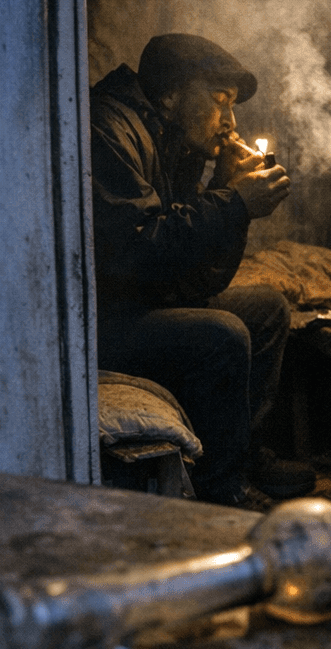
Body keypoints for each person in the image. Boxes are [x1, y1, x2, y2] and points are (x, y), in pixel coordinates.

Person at [90, 33, 315, 506]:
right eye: (219, 102)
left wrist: (225, 189)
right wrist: (233, 203)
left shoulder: (174, 141)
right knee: (222, 334)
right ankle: (221, 492)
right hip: (102, 320)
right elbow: (140, 250)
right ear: (171, 94)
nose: (229, 122)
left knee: (266, 308)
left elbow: (198, 278)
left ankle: (247, 456)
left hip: (147, 299)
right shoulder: (109, 128)